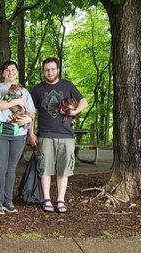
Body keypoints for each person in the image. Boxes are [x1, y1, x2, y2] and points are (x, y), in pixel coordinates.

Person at [28, 58, 87, 213]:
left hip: (66, 134)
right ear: (43, 71)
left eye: (53, 69)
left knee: (64, 169)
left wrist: (74, 112)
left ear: (58, 69)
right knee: (45, 168)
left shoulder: (67, 85)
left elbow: (84, 101)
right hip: (45, 134)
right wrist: (31, 133)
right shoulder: (38, 89)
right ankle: (47, 199)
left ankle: (60, 199)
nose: (50, 72)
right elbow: (32, 112)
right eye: (47, 69)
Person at [0, 60, 36, 215]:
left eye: (13, 69)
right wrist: (16, 101)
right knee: (1, 167)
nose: (10, 72)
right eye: (7, 70)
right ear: (3, 73)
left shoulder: (24, 91)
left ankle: (8, 201)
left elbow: (32, 111)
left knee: (12, 168)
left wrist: (29, 123)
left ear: (17, 72)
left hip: (18, 133)